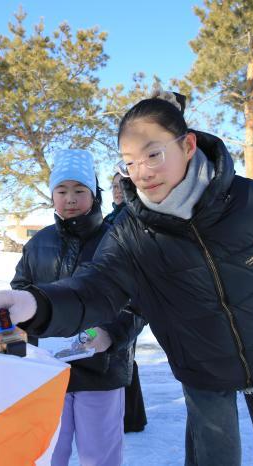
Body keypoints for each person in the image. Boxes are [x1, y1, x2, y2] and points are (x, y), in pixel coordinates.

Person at [0, 92, 253, 466]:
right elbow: (95, 287)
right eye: (130, 163)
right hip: (199, 365)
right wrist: (33, 304)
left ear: (188, 145)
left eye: (153, 155)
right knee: (215, 457)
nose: (142, 171)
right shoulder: (129, 232)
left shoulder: (251, 201)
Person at [7, 149, 144, 465]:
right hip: (47, 371)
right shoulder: (37, 243)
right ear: (52, 196)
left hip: (101, 371)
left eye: (80, 190)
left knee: (100, 454)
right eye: (62, 191)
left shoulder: (118, 241)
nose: (70, 199)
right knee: (50, 450)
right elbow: (19, 294)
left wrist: (109, 335)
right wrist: (11, 332)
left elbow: (138, 303)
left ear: (94, 195)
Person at [104, 171, 148, 434]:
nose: (118, 190)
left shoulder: (134, 214)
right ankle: (130, 416)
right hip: (109, 291)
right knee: (123, 355)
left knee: (124, 354)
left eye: (122, 184)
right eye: (114, 186)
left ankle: (130, 417)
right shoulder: (109, 217)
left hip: (130, 294)